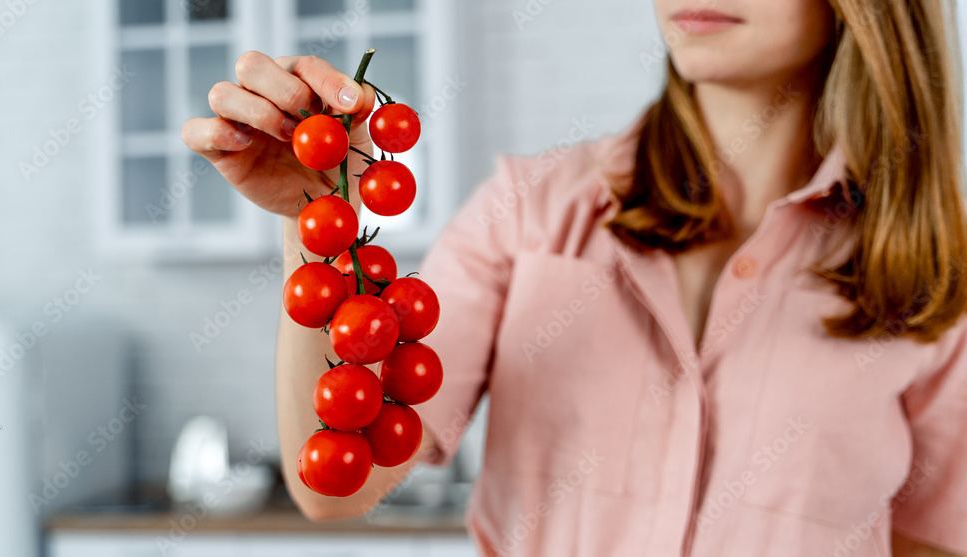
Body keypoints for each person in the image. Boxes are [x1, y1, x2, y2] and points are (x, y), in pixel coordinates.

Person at [182, 1, 967, 555]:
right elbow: (337, 484)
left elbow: (929, 542)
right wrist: (318, 224)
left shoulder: (932, 273)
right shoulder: (528, 210)